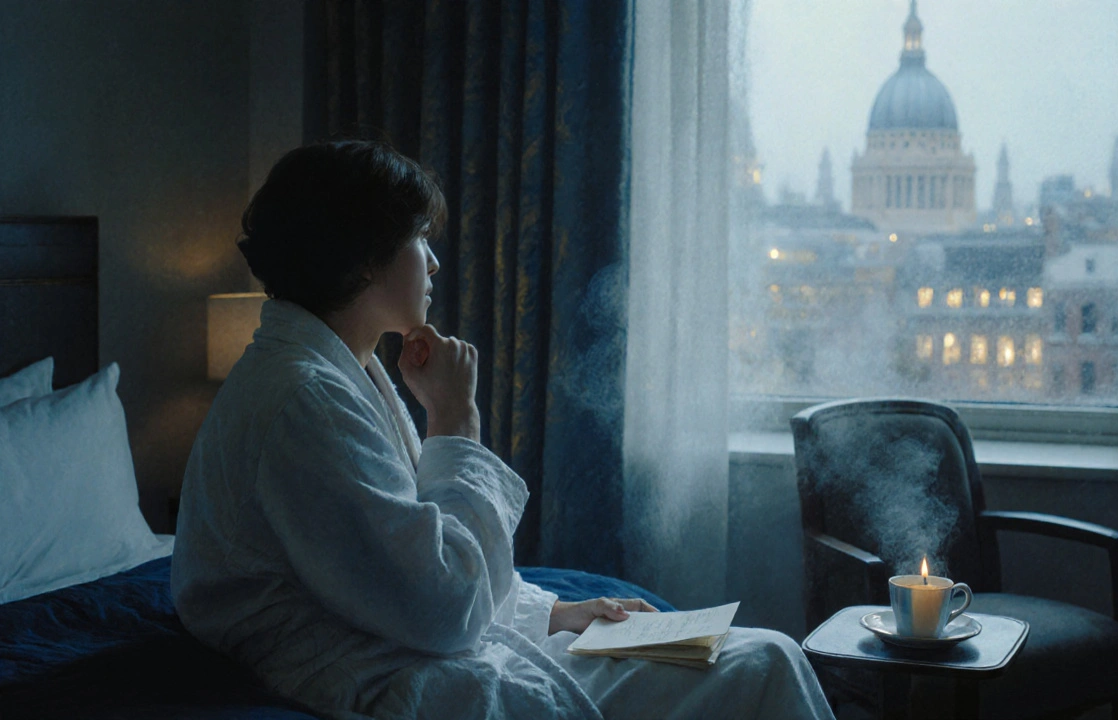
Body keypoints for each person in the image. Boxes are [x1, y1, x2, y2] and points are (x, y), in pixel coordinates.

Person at [171, 140, 835, 720]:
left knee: (751, 656)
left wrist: (554, 614)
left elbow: (407, 559)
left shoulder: (339, 370)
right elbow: (440, 603)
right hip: (376, 670)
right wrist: (455, 421)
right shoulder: (304, 398)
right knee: (765, 661)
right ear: (366, 259)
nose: (432, 265)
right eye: (418, 241)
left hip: (393, 638)